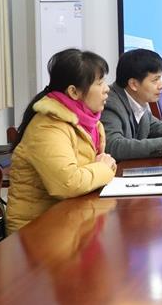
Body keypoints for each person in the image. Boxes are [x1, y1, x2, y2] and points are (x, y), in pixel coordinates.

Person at [6, 49, 117, 233]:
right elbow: (67, 184)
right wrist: (103, 168)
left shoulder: (90, 122)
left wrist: (102, 167)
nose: (107, 89)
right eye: (99, 83)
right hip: (36, 231)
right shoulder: (48, 127)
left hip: (70, 219)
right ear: (73, 92)